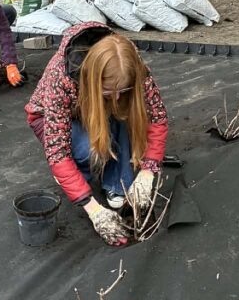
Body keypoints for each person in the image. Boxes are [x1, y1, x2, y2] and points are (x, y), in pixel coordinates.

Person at [25, 22, 168, 246]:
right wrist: (94, 210)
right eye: (110, 90)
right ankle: (80, 174)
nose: (118, 97)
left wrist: (148, 171)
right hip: (55, 119)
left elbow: (157, 117)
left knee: (123, 114)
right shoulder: (61, 77)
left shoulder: (130, 63)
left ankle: (116, 183)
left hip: (97, 109)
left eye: (123, 90)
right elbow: (57, 151)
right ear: (93, 80)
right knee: (87, 150)